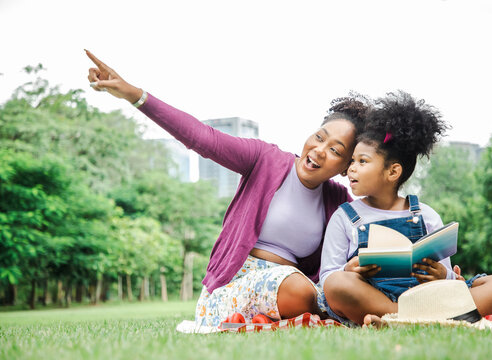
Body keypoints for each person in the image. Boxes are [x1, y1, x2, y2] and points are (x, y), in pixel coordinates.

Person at [85, 50, 370, 327]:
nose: (319, 150)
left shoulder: (338, 201)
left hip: (294, 288)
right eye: (319, 137)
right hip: (237, 287)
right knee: (302, 291)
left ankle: (384, 312)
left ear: (347, 166)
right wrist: (134, 95)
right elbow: (203, 137)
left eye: (335, 150)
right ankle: (289, 315)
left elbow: (369, 236)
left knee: (335, 288)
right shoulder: (265, 159)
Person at [319, 91, 492, 326]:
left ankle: (402, 319)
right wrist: (348, 269)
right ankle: (410, 317)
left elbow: (447, 278)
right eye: (352, 161)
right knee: (337, 285)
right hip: (375, 297)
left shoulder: (426, 215)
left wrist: (443, 275)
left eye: (362, 161)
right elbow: (327, 278)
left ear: (393, 172)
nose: (351, 168)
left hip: (427, 297)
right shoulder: (344, 217)